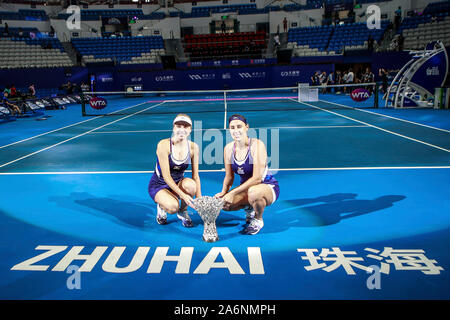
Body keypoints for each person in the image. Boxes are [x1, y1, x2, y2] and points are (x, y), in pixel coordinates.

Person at [215, 114, 280, 235]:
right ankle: (249, 207)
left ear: (246, 127)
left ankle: (258, 219)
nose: (236, 131)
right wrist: (223, 193)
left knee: (254, 192)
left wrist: (233, 193)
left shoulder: (257, 145)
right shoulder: (228, 149)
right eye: (232, 127)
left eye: (239, 126)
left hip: (267, 187)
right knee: (224, 204)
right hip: (247, 189)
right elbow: (229, 176)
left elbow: (257, 178)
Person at [148, 114, 201, 227]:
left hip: (177, 183)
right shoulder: (164, 145)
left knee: (192, 185)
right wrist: (184, 195)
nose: (182, 129)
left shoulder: (193, 147)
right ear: (173, 128)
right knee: (172, 207)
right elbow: (166, 177)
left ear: (190, 130)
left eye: (186, 127)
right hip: (159, 185)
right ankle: (162, 206)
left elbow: (195, 176)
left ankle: (183, 211)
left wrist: (199, 198)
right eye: (179, 126)